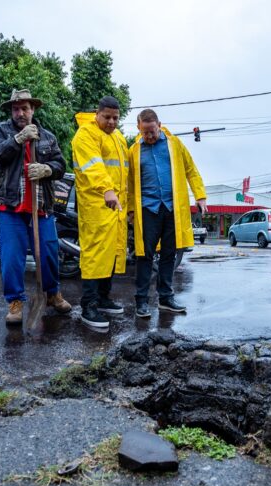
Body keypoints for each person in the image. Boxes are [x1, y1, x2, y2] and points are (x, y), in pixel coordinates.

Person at [0, 89, 72, 325]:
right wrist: (17, 139)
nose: (20, 113)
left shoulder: (48, 136)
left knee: (48, 253)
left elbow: (60, 165)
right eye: (16, 109)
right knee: (12, 258)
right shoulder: (2, 131)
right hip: (11, 208)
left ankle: (52, 293)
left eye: (25, 108)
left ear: (33, 110)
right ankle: (15, 302)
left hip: (41, 206)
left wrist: (47, 170)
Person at [128, 109, 207, 318]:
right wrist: (129, 209)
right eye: (145, 133)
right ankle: (142, 301)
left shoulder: (175, 145)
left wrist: (200, 196)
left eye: (152, 131)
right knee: (144, 255)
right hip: (147, 209)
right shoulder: (134, 150)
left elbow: (191, 169)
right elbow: (128, 183)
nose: (150, 136)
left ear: (159, 125)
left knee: (169, 254)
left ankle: (165, 298)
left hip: (172, 209)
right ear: (138, 128)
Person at [71, 96, 129, 328]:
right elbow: (93, 167)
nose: (112, 122)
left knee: (111, 254)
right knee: (95, 255)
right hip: (96, 205)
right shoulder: (85, 134)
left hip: (117, 207)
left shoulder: (118, 138)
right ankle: (89, 306)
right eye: (107, 117)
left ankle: (104, 299)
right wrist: (106, 190)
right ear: (97, 114)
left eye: (116, 117)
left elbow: (126, 173)